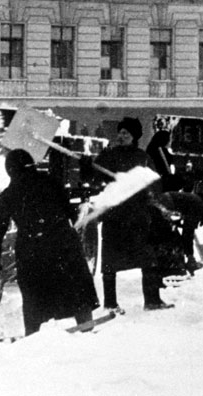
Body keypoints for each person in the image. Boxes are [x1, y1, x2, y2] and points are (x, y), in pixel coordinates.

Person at [0, 149, 99, 335]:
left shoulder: (10, 194)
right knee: (78, 293)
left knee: (34, 302)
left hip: (32, 251)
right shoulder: (51, 182)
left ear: (10, 170)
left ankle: (33, 337)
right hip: (64, 246)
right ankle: (86, 328)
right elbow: (72, 214)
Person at [84, 117, 172, 312]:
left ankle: (152, 300)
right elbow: (93, 177)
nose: (121, 136)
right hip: (114, 215)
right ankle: (110, 303)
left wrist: (146, 191)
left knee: (147, 258)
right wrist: (87, 165)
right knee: (110, 261)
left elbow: (155, 183)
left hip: (138, 216)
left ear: (135, 137)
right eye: (120, 132)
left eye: (126, 133)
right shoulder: (108, 155)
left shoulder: (143, 157)